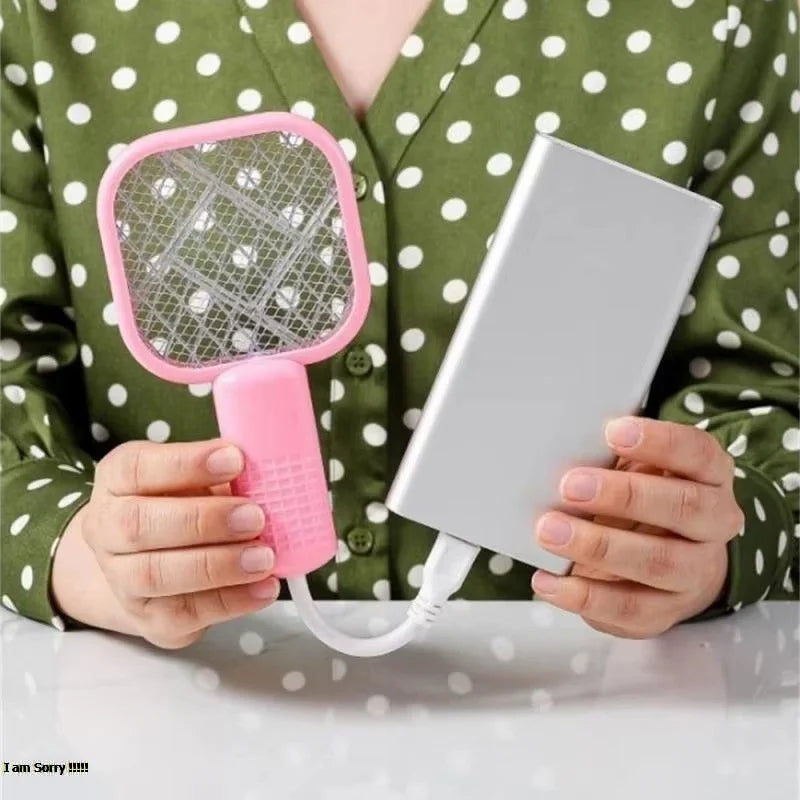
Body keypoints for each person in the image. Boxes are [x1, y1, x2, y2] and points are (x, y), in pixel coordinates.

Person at [1, 0, 796, 650]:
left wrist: (715, 548)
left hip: (605, 728)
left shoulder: (728, 15)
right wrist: (81, 553)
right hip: (146, 735)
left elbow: (768, 413)